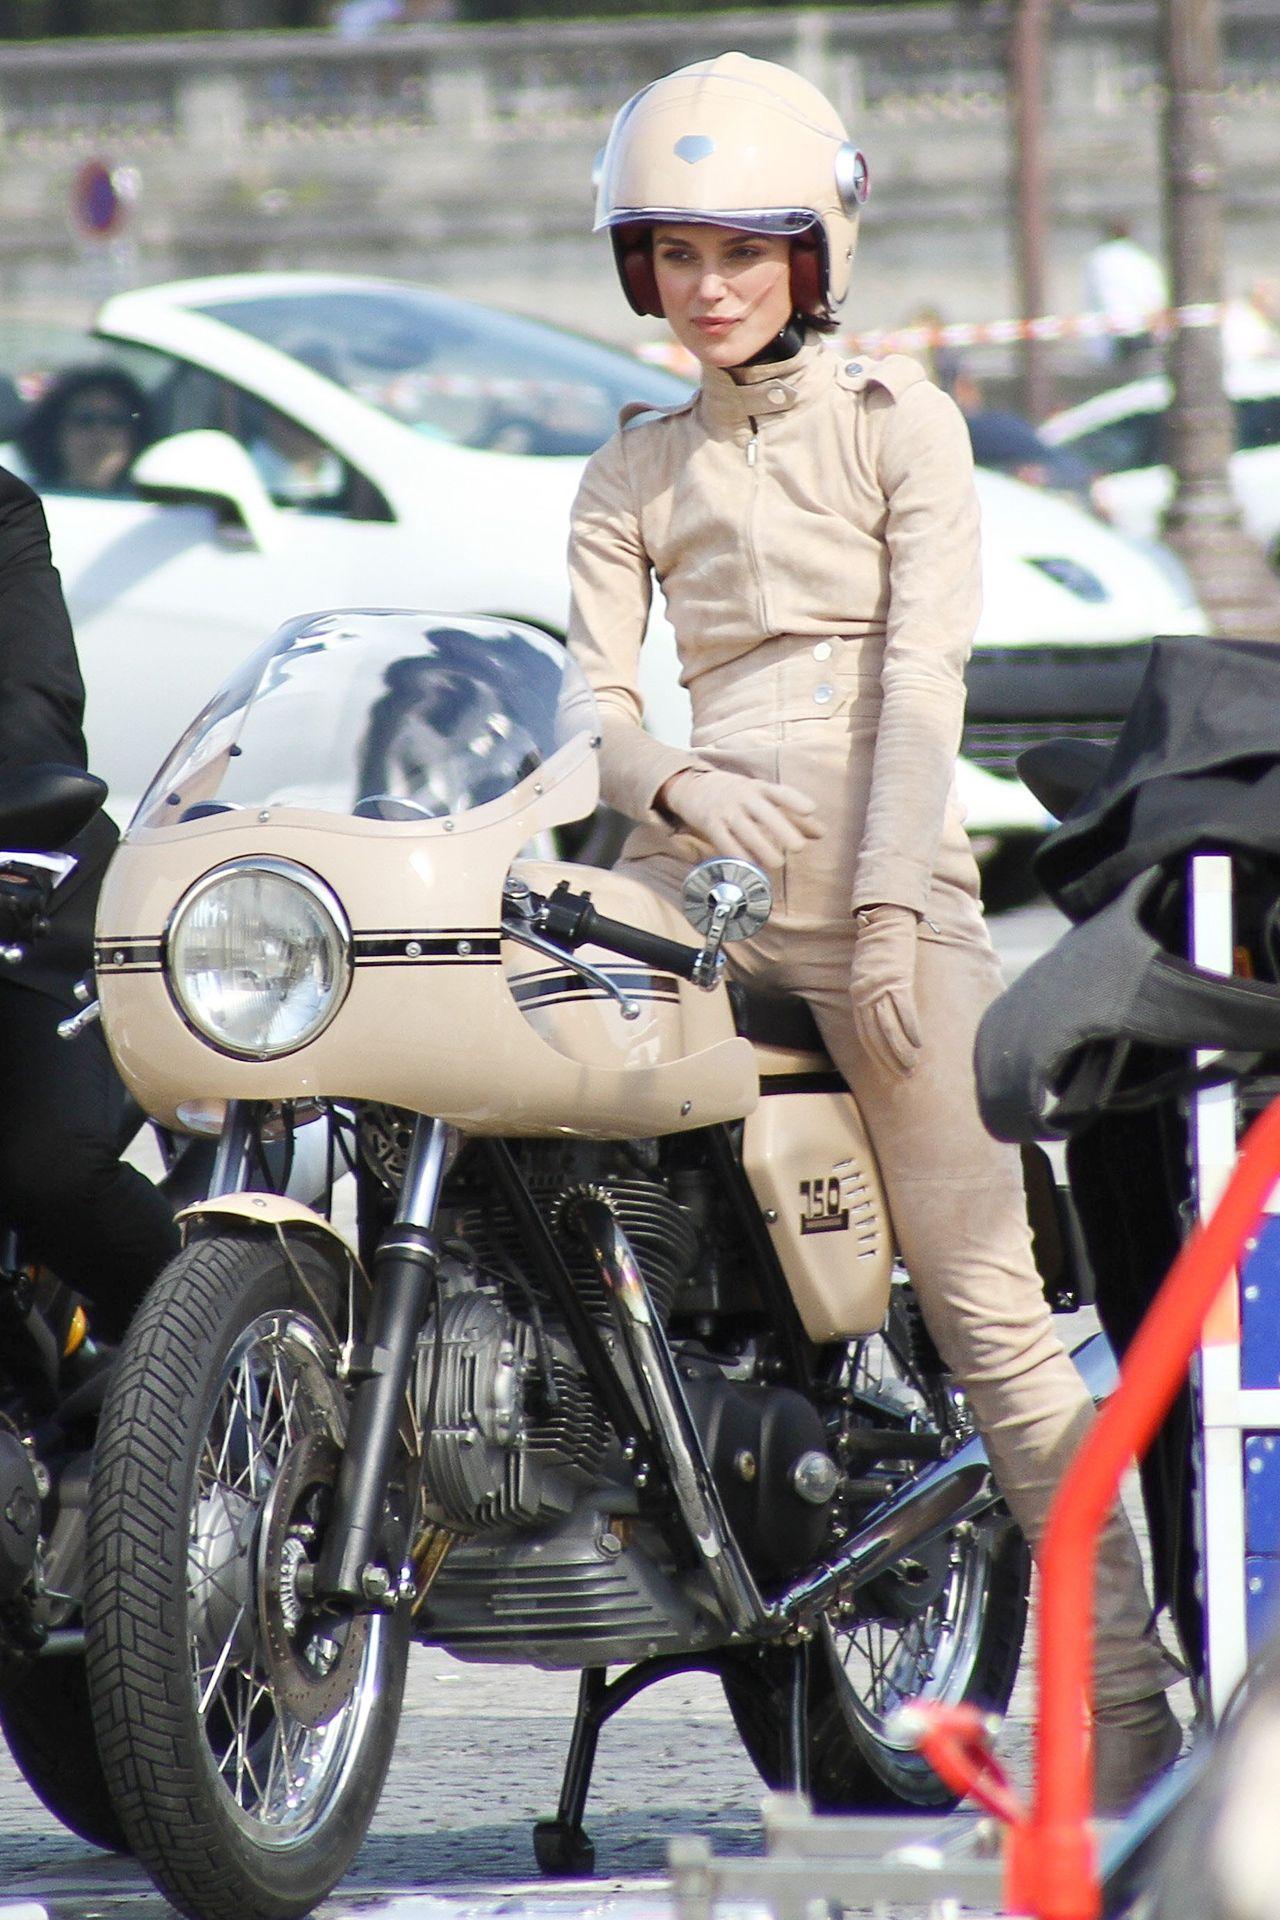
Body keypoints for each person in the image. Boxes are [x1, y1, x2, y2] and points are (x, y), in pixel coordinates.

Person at [566, 51, 1181, 1812]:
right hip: (692, 883)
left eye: (743, 252)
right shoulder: (628, 472)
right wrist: (678, 783)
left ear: (814, 256)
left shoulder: (904, 425)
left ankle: (1126, 1713)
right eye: (678, 255)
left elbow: (923, 679)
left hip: (878, 882)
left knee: (990, 1314)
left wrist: (900, 897)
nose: (709, 288)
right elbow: (596, 705)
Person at [0, 463, 179, 1341]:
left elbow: (31, 712)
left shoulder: (2, 512)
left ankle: (204, 1360)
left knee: (47, 1172)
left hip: (24, 889)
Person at [9, 365, 151, 495]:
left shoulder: (155, 507)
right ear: (55, 432)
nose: (100, 432)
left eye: (115, 421)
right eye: (85, 420)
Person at [1083, 217, 1168, 368]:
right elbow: (1154, 295)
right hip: (1142, 329)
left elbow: (1093, 297)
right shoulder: (1141, 258)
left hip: (1113, 332)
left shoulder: (1098, 259)